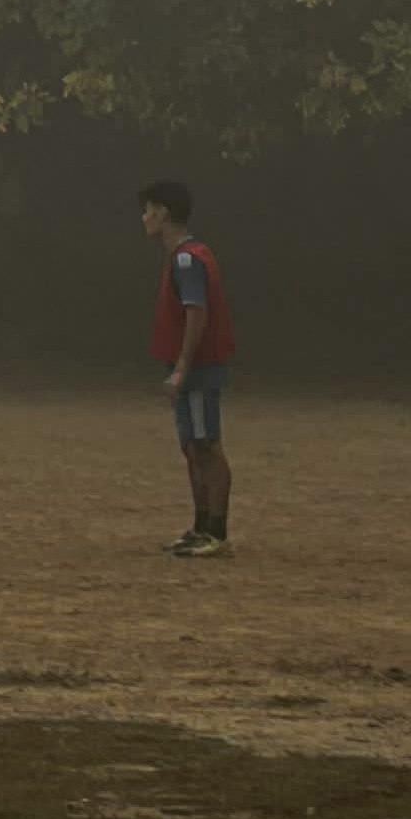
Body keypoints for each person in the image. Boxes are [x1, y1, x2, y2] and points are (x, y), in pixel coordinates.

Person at [142, 177, 236, 557]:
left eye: (148, 210)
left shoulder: (186, 259)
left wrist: (181, 367)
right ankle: (201, 527)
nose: (144, 217)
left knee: (206, 445)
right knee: (192, 447)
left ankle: (216, 531)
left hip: (199, 369)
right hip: (191, 368)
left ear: (163, 213)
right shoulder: (185, 256)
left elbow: (196, 314)